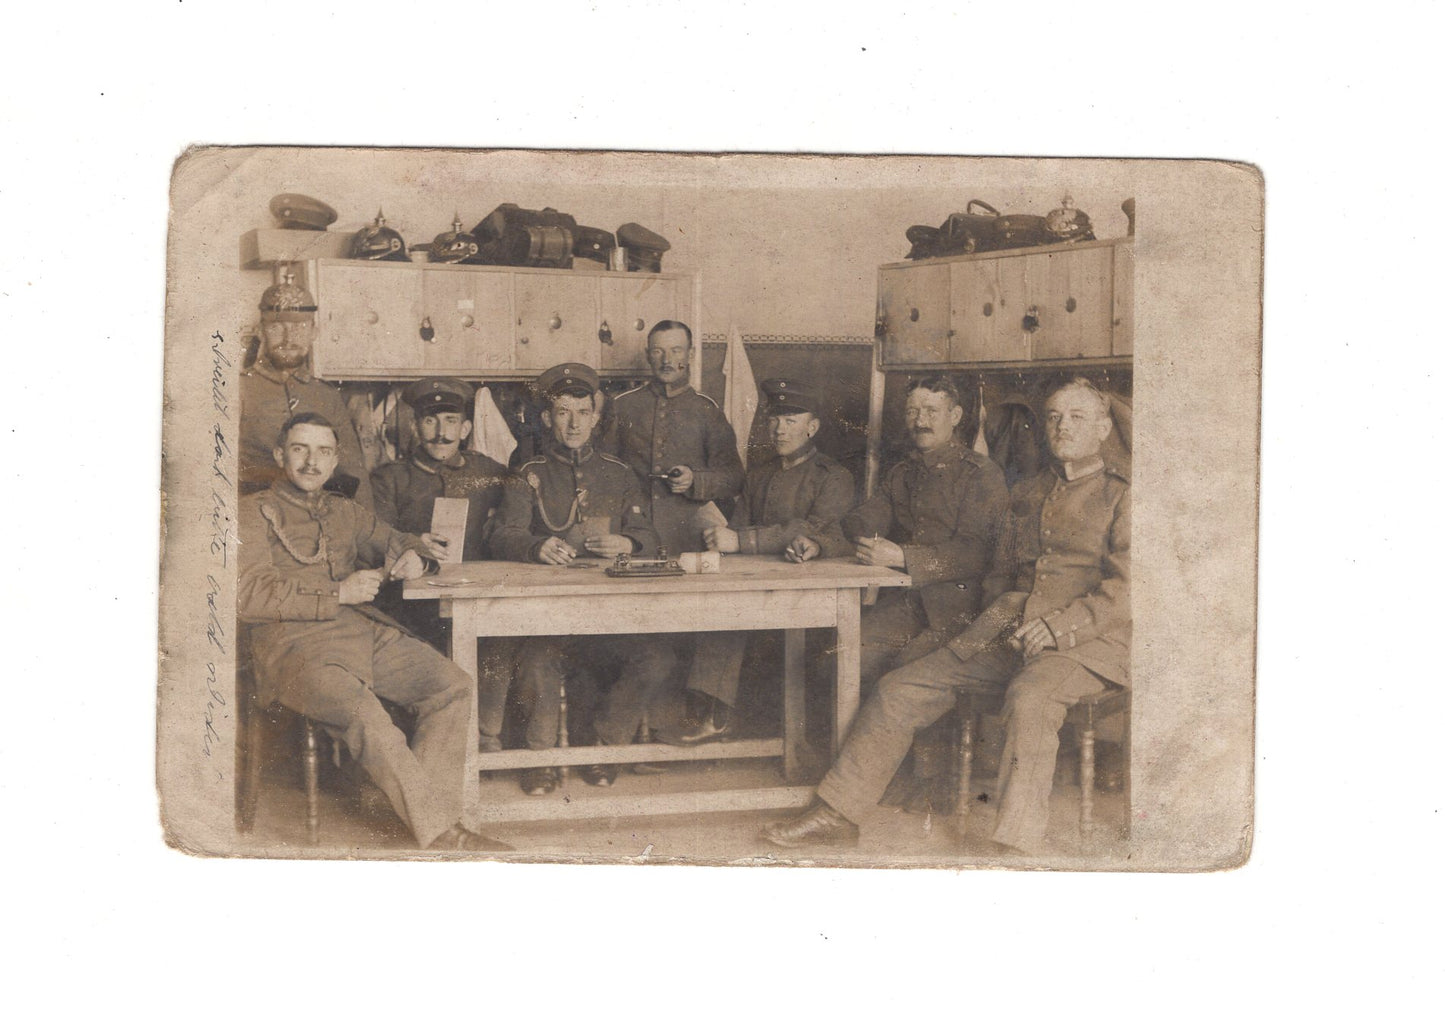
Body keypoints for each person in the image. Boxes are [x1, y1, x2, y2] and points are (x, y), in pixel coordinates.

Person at [761, 378, 1130, 853]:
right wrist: (998, 620)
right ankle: (838, 813)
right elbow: (1001, 568)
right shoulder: (1032, 490)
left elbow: (1128, 589)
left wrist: (1057, 627)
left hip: (1086, 645)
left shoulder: (1122, 496)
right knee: (900, 688)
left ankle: (1015, 844)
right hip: (1010, 630)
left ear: (1103, 428)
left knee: (1032, 698)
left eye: (1077, 418)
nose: (1062, 427)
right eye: (1055, 417)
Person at [238, 412, 508, 851]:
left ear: (335, 459)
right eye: (300, 449)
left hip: (361, 634)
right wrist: (338, 592)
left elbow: (403, 539)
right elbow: (248, 595)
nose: (312, 462)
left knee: (451, 685)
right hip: (291, 647)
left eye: (323, 451)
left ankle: (419, 815)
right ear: (279, 455)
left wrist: (416, 559)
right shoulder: (250, 512)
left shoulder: (344, 511)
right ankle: (441, 834)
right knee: (366, 714)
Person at [488, 363, 675, 795]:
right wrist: (536, 547)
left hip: (611, 619)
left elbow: (649, 535)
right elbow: (503, 535)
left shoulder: (619, 473)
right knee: (536, 661)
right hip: (547, 620)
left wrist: (628, 544)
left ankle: (602, 746)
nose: (572, 423)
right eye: (562, 412)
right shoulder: (527, 470)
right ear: (547, 418)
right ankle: (540, 759)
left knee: (657, 659)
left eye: (582, 412)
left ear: (596, 416)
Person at [659, 378, 855, 744]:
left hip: (810, 598)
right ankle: (711, 714)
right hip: (760, 588)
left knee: (732, 615)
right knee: (717, 606)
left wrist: (742, 540)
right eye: (775, 420)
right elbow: (737, 527)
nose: (780, 429)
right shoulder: (761, 474)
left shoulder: (834, 477)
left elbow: (817, 528)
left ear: (812, 428)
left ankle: (715, 717)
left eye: (791, 420)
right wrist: (720, 536)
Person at [813, 374, 1008, 685]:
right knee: (839, 659)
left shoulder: (982, 474)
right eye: (912, 412)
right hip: (910, 604)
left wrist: (902, 555)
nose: (921, 421)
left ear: (955, 416)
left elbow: (977, 554)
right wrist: (820, 544)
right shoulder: (903, 472)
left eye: (931, 411)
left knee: (896, 675)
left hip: (960, 613)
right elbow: (863, 520)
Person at [371, 377, 517, 753]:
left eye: (451, 421)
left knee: (500, 643)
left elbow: (514, 526)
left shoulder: (492, 473)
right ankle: (434, 748)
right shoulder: (390, 479)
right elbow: (375, 538)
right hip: (412, 608)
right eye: (431, 422)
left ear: (466, 428)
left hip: (478, 600)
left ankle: (486, 737)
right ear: (416, 426)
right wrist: (413, 543)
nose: (441, 433)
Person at [600, 320, 744, 557]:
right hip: (633, 534)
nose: (666, 360)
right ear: (648, 355)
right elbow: (603, 468)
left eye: (676, 350)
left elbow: (735, 478)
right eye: (658, 351)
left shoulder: (707, 410)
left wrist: (695, 481)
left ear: (690, 355)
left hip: (689, 538)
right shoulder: (622, 405)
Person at [239, 272, 373, 508]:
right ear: (260, 331)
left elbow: (353, 474)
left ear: (314, 332)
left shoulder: (326, 396)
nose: (289, 338)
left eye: (300, 327)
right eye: (277, 327)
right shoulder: (238, 390)